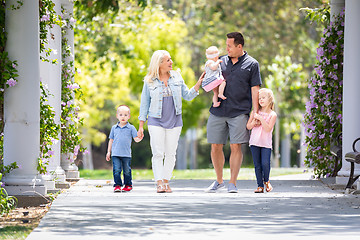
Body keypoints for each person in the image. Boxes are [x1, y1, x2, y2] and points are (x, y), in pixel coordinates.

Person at [138, 50, 204, 193]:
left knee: (171, 153)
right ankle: (159, 183)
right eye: (168, 60)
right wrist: (141, 126)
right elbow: (144, 104)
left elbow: (187, 95)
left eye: (171, 59)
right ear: (159, 63)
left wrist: (198, 84)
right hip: (156, 120)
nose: (171, 62)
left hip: (175, 120)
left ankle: (166, 181)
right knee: (157, 153)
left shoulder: (177, 77)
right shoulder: (149, 81)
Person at [205, 32, 262, 193]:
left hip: (239, 112)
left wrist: (255, 111)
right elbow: (211, 76)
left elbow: (255, 89)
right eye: (226, 45)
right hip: (218, 110)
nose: (226, 48)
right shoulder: (220, 61)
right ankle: (219, 180)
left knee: (235, 146)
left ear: (239, 46)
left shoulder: (252, 64)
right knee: (215, 145)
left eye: (229, 46)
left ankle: (232, 182)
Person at [106, 105, 143, 192]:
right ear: (117, 116)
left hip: (126, 154)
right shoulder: (114, 128)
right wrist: (108, 152)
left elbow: (136, 139)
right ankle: (117, 185)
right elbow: (111, 140)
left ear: (129, 116)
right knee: (116, 170)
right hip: (115, 153)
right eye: (121, 114)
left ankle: (128, 184)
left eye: (126, 115)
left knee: (127, 170)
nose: (123, 117)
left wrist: (139, 138)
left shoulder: (131, 128)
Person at [246, 88, 277, 193]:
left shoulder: (273, 115)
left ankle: (267, 181)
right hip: (254, 142)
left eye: (263, 98)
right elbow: (248, 126)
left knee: (265, 163)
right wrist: (255, 122)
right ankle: (260, 186)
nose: (261, 100)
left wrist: (261, 119)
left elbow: (268, 129)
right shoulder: (255, 112)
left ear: (270, 99)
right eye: (259, 98)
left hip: (266, 144)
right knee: (257, 165)